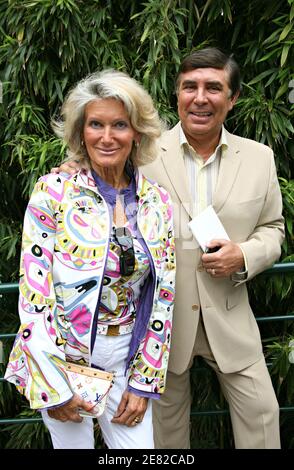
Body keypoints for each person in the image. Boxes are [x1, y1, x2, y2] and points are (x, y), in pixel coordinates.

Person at [52, 47, 285, 449]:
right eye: (189, 87)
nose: (200, 97)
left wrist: (245, 255)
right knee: (164, 439)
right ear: (176, 95)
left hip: (231, 317)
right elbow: (100, 166)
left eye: (213, 87)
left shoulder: (260, 159)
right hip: (159, 326)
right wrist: (75, 168)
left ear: (232, 99)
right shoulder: (140, 150)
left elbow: (274, 228)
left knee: (263, 418)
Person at [4, 69, 176, 449]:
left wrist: (144, 381)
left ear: (137, 132)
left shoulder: (157, 202)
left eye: (119, 125)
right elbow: (35, 295)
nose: (107, 136)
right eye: (96, 124)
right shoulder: (53, 192)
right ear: (81, 131)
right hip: (64, 359)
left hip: (126, 359)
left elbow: (163, 296)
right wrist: (52, 385)